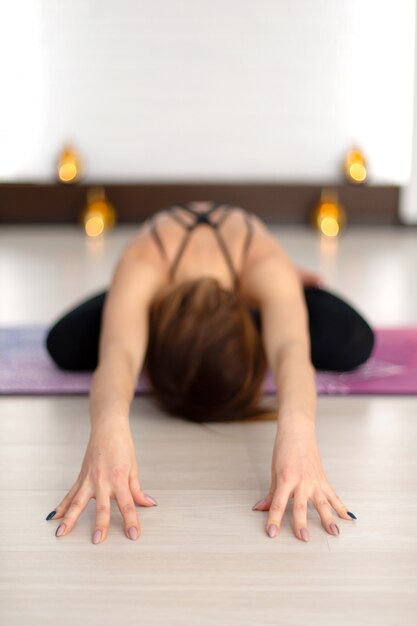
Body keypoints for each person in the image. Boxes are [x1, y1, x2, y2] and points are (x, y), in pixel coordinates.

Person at [45, 200, 372, 545]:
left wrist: (299, 432)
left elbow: (291, 349)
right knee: (64, 344)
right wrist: (108, 428)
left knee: (353, 340)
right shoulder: (144, 263)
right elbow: (119, 354)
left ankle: (133, 305)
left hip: (231, 270)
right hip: (165, 273)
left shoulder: (264, 263)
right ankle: (135, 305)